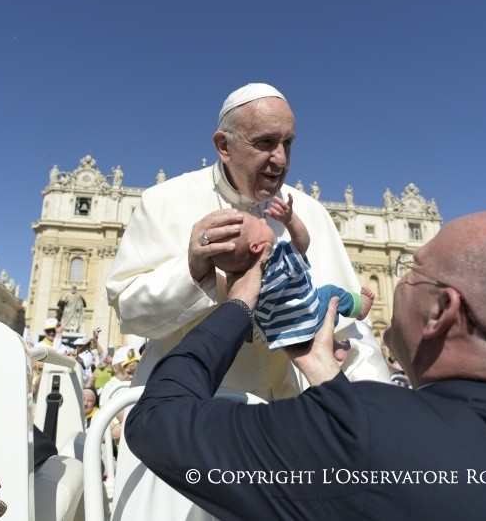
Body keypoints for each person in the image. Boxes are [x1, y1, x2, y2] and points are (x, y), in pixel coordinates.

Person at [126, 211, 486, 519]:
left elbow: (157, 419)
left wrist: (237, 306)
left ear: (442, 311)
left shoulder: (360, 431)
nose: (400, 282)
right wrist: (326, 377)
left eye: (413, 269)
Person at [105, 82, 390, 519]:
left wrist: (375, 420)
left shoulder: (309, 214)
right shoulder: (164, 201)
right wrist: (192, 270)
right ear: (224, 145)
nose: (280, 159)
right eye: (265, 143)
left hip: (286, 419)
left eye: (288, 143)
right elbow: (129, 311)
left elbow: (353, 332)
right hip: (181, 420)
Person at [211, 195, 374, 349]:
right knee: (331, 293)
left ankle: (335, 347)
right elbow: (303, 241)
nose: (263, 219)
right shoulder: (278, 264)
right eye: (259, 224)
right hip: (308, 319)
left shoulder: (242, 282)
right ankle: (359, 308)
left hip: (282, 337)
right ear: (257, 246)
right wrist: (290, 220)